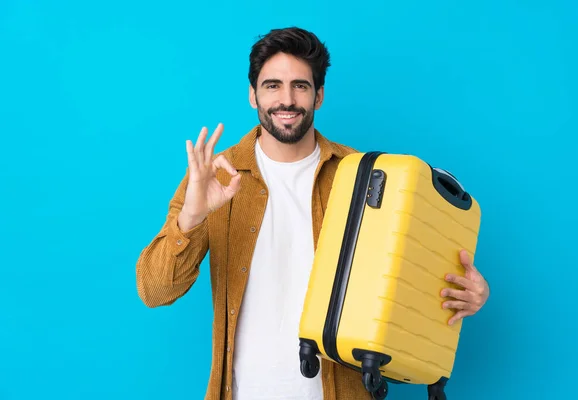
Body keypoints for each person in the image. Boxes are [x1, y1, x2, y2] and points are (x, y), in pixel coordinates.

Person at [135, 26, 490, 400]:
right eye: (272, 85)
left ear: (318, 95)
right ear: (252, 95)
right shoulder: (215, 175)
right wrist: (191, 217)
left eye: (300, 86)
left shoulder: (365, 177)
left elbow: (410, 274)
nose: (286, 100)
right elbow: (155, 289)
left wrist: (471, 293)